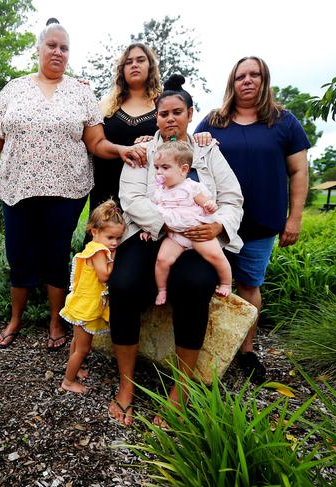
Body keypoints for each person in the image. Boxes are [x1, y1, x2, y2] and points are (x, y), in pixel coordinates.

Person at [0, 18, 145, 350]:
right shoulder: (14, 88)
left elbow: (95, 142)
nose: (58, 52)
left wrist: (122, 149)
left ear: (69, 54)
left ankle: (56, 320)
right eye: (51, 46)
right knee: (19, 256)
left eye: (64, 48)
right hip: (18, 189)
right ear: (37, 49)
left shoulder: (81, 92)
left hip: (67, 191)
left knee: (55, 256)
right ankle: (15, 320)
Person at [107, 74, 244, 426]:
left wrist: (217, 225)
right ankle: (126, 385)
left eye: (177, 112)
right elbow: (131, 198)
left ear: (189, 113)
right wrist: (166, 225)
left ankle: (180, 390)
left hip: (199, 236)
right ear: (156, 117)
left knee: (194, 284)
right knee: (123, 285)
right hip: (151, 232)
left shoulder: (207, 151)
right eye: (163, 113)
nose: (170, 119)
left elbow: (232, 198)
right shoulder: (143, 152)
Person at [195, 56, 310, 384]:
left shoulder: (284, 122)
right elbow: (185, 155)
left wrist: (295, 217)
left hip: (261, 222)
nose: (247, 81)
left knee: (249, 285)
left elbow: (299, 170)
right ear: (232, 82)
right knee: (208, 283)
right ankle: (207, 346)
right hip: (217, 224)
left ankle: (245, 350)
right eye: (241, 76)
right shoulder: (214, 121)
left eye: (254, 75)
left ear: (264, 80)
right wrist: (194, 140)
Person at [148, 141, 233, 305]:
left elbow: (207, 204)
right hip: (174, 236)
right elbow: (155, 212)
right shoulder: (159, 192)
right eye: (157, 167)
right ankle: (162, 290)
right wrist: (148, 229)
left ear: (184, 169)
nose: (159, 172)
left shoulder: (191, 188)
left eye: (165, 168)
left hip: (197, 233)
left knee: (215, 255)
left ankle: (226, 283)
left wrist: (210, 206)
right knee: (162, 260)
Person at [60, 199, 125, 394]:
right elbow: (104, 275)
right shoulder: (99, 251)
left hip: (81, 303)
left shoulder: (93, 246)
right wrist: (115, 261)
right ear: (94, 231)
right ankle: (68, 381)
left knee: (76, 342)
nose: (114, 243)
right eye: (110, 237)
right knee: (83, 349)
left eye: (118, 238)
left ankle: (75, 368)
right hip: (86, 308)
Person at [89, 43, 161, 211]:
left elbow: (176, 143)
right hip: (106, 192)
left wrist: (157, 142)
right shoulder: (105, 106)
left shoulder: (163, 105)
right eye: (128, 62)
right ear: (121, 69)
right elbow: (94, 143)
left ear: (150, 66)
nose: (134, 65)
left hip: (148, 196)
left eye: (140, 60)